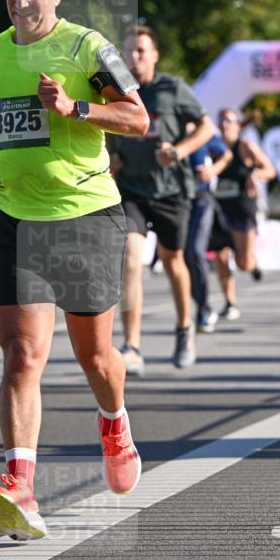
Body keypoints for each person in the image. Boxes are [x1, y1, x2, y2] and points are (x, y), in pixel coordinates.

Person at [0, 0, 149, 540]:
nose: (20, 0)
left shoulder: (89, 46)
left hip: (85, 215)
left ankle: (114, 421)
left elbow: (138, 118)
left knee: (96, 357)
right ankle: (20, 486)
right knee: (21, 354)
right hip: (14, 217)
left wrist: (76, 108)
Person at [110, 26, 215, 374]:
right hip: (131, 190)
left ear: (154, 55)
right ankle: (132, 346)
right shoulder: (115, 90)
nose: (134, 56)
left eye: (141, 50)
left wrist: (180, 150)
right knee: (130, 258)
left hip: (172, 191)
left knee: (173, 262)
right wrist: (110, 155)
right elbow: (105, 129)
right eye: (129, 51)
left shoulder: (173, 89)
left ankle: (185, 329)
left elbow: (206, 128)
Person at [212, 108, 276, 319]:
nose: (223, 124)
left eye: (228, 121)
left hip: (243, 208)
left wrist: (256, 174)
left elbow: (270, 170)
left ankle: (254, 264)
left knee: (243, 263)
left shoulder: (246, 146)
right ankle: (230, 302)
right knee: (220, 256)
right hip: (221, 208)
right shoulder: (216, 148)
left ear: (238, 125)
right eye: (221, 120)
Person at [185, 131, 233, 333]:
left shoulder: (201, 127)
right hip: (174, 199)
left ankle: (204, 309)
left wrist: (213, 170)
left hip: (202, 199)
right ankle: (194, 308)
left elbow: (226, 154)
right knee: (181, 257)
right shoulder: (164, 122)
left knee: (195, 251)